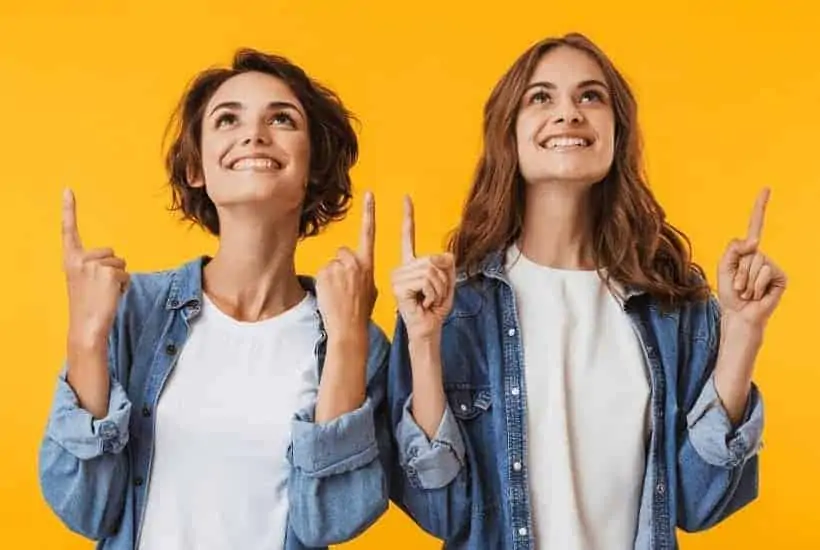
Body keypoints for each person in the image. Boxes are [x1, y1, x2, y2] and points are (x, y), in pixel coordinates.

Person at [388, 32, 786, 550]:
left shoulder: (671, 306)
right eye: (541, 97)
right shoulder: (453, 307)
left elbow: (698, 503)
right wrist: (422, 341)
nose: (569, 113)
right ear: (508, 134)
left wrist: (743, 331)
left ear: (617, 132)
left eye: (590, 96)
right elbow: (438, 511)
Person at [39, 48, 390, 550]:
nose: (254, 134)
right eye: (228, 119)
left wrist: (348, 340)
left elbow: (329, 522)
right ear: (195, 168)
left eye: (282, 119)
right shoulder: (134, 308)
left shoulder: (353, 335)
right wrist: (86, 339)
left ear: (313, 164)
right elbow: (85, 507)